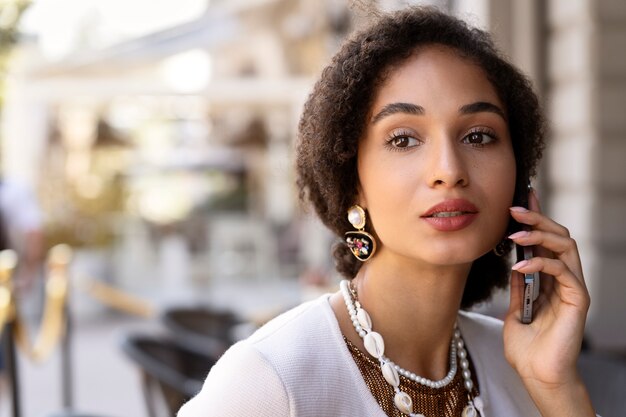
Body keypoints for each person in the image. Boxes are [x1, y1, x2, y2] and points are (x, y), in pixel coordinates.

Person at [178, 6, 596, 416]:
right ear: (352, 181)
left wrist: (558, 389)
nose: (449, 171)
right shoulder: (274, 379)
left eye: (479, 136)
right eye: (403, 140)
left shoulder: (523, 364)